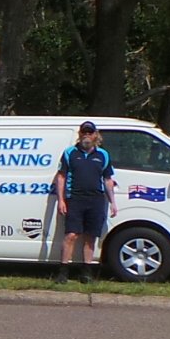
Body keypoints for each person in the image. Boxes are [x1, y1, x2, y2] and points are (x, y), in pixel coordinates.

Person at [53, 120, 117, 283]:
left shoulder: (103, 155)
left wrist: (113, 202)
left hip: (95, 200)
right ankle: (63, 272)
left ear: (95, 135)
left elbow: (108, 179)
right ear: (80, 135)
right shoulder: (70, 153)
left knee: (90, 236)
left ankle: (87, 272)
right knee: (71, 235)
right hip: (74, 199)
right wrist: (61, 200)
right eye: (84, 132)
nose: (86, 135)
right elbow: (61, 176)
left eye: (90, 132)